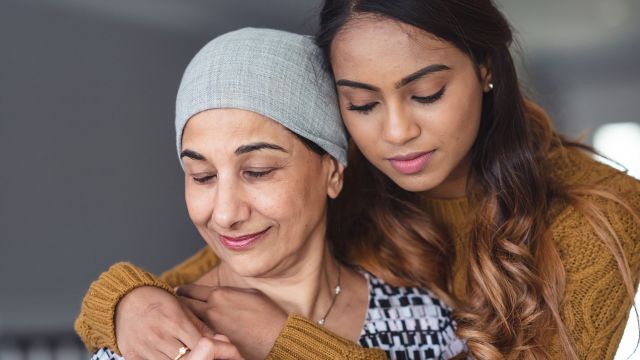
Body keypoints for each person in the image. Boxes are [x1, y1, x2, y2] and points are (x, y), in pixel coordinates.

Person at [76, 0, 640, 359]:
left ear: (487, 68)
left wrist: (285, 343)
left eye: (426, 94)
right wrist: (128, 301)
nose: (397, 133)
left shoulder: (599, 215)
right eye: (363, 104)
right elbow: (222, 260)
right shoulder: (358, 183)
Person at [85, 27, 467, 360]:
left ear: (332, 172)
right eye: (201, 176)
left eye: (257, 171)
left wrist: (288, 345)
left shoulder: (428, 322)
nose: (224, 213)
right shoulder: (150, 341)